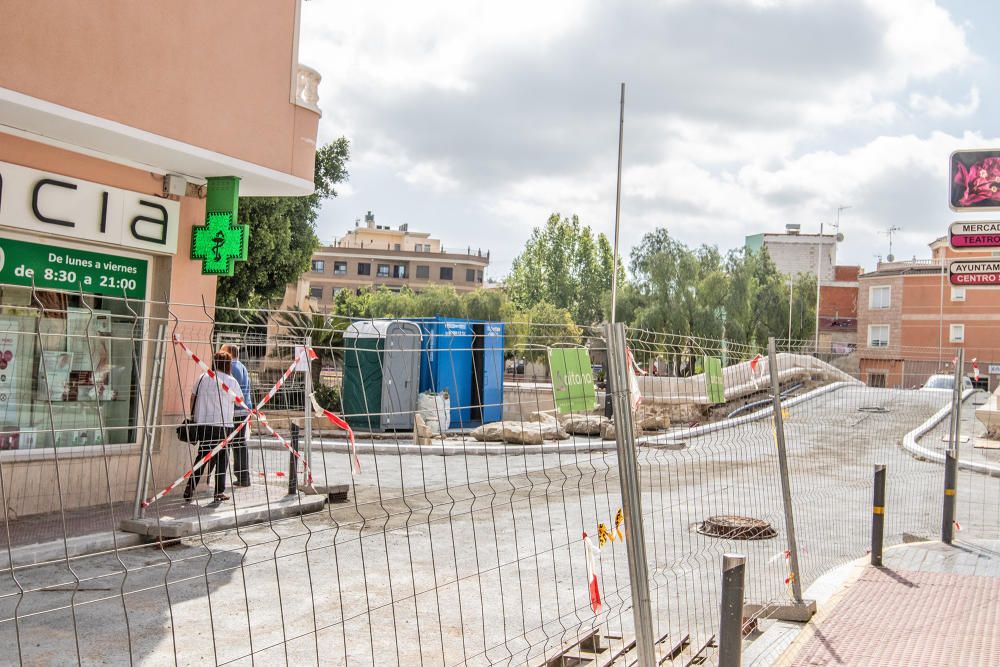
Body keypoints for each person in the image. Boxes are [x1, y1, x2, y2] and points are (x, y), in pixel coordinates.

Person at [183, 351, 244, 502]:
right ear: (228, 364)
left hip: (203, 424)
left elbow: (192, 398)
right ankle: (219, 492)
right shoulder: (231, 381)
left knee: (202, 456)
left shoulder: (202, 378)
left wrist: (194, 417)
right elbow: (239, 401)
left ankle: (190, 486)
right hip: (222, 425)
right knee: (222, 459)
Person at [221, 343, 254, 487]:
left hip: (234, 410)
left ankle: (236, 477)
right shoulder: (242, 366)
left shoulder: (231, 368)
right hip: (244, 409)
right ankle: (243, 477)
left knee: (228, 444)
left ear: (228, 353)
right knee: (240, 444)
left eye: (222, 352)